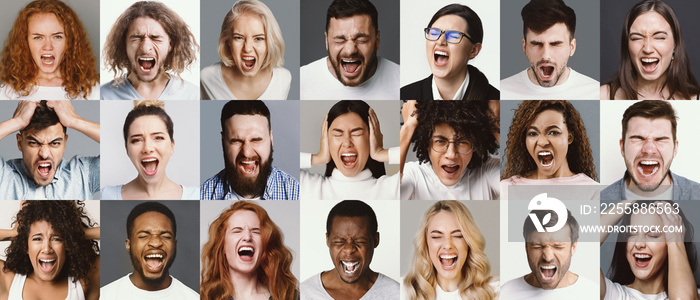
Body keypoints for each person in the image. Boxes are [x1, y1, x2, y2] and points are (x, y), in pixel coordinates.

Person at [300, 0, 399, 100]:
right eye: (339, 40)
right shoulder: (301, 81)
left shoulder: (400, 80)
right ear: (327, 41)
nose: (350, 50)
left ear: (377, 41)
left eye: (361, 40)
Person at [400, 100, 499, 200]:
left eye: (462, 142)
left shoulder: (488, 170)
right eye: (440, 141)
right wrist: (408, 128)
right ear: (427, 143)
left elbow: (514, 194)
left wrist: (494, 123)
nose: (451, 154)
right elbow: (388, 201)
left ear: (475, 145)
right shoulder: (413, 173)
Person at [0, 201, 100, 300]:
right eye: (38, 239)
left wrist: (77, 233)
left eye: (56, 239)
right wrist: (14, 233)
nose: (47, 249)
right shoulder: (9, 281)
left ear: (68, 245)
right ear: (25, 246)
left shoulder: (84, 283)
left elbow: (116, 236)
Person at [0, 100, 100, 200]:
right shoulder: (4, 177)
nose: (44, 154)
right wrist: (17, 121)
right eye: (34, 143)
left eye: (55, 143)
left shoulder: (82, 173)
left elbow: (115, 144)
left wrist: (74, 120)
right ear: (19, 143)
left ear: (64, 143)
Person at [601, 100, 700, 200]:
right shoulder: (600, 200)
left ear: (675, 148)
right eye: (638, 138)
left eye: (660, 139)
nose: (649, 150)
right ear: (622, 147)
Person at [0, 0, 99, 100]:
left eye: (57, 37)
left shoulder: (91, 89)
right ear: (25, 42)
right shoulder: (8, 91)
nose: (48, 47)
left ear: (70, 41)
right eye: (38, 37)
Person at [300, 100, 399, 200]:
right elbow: (283, 163)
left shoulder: (393, 189)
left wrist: (381, 153)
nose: (347, 143)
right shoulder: (309, 187)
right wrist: (317, 158)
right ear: (326, 140)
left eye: (356, 134)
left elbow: (416, 165)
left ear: (372, 137)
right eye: (338, 134)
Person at [500, 0, 599, 100]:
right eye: (536, 44)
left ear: (572, 47)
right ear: (524, 46)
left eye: (555, 44)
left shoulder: (595, 92)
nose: (546, 55)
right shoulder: (503, 91)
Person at [602, 0, 700, 100]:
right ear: (627, 45)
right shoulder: (602, 96)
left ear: (675, 44)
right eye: (637, 38)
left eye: (659, 37)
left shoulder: (696, 100)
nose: (647, 49)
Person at [300, 200, 399, 299]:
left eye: (360, 241)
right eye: (339, 242)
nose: (349, 249)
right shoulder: (304, 293)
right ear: (327, 240)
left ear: (376, 240)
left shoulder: (397, 293)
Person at [101, 1, 199, 100]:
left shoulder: (193, 95)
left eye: (155, 38)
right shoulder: (104, 95)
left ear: (170, 44)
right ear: (124, 44)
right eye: (136, 37)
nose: (145, 47)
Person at [600, 200, 698, 299]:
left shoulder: (694, 293)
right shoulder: (611, 294)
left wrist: (675, 241)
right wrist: (630, 201)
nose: (639, 244)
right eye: (632, 234)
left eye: (653, 235)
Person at [201, 101, 299, 200]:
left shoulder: (296, 192)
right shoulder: (203, 194)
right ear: (223, 141)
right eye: (236, 141)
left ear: (271, 139)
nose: (246, 152)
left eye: (256, 140)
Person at [100, 202, 199, 300]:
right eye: (143, 236)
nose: (155, 243)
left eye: (165, 236)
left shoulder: (193, 297)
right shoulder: (105, 296)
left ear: (174, 244)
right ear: (128, 245)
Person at [101, 100, 198, 200]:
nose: (147, 148)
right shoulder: (106, 195)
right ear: (127, 149)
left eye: (158, 138)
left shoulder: (196, 195)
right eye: (137, 140)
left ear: (172, 145)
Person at [501, 100, 598, 200]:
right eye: (533, 133)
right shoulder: (507, 189)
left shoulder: (592, 191)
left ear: (569, 137)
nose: (542, 142)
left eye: (553, 132)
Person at [201, 201, 298, 300]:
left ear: (265, 245)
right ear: (222, 247)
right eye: (237, 231)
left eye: (256, 231)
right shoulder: (203, 296)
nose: (247, 237)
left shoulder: (289, 296)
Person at [400, 4, 499, 100]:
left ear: (474, 50)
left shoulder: (495, 98)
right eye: (434, 33)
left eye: (453, 35)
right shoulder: (405, 95)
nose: (440, 41)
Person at [404, 201, 497, 300]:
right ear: (425, 243)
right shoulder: (403, 291)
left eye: (458, 236)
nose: (448, 245)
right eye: (436, 236)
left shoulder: (496, 290)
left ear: (469, 243)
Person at [201, 0, 291, 100]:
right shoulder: (207, 78)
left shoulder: (283, 79)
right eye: (238, 37)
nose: (247, 49)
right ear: (227, 41)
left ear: (270, 43)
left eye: (258, 38)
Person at [500, 209, 597, 299]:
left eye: (558, 246)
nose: (547, 257)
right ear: (526, 247)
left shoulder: (593, 294)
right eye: (537, 246)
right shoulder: (504, 294)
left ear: (573, 247)